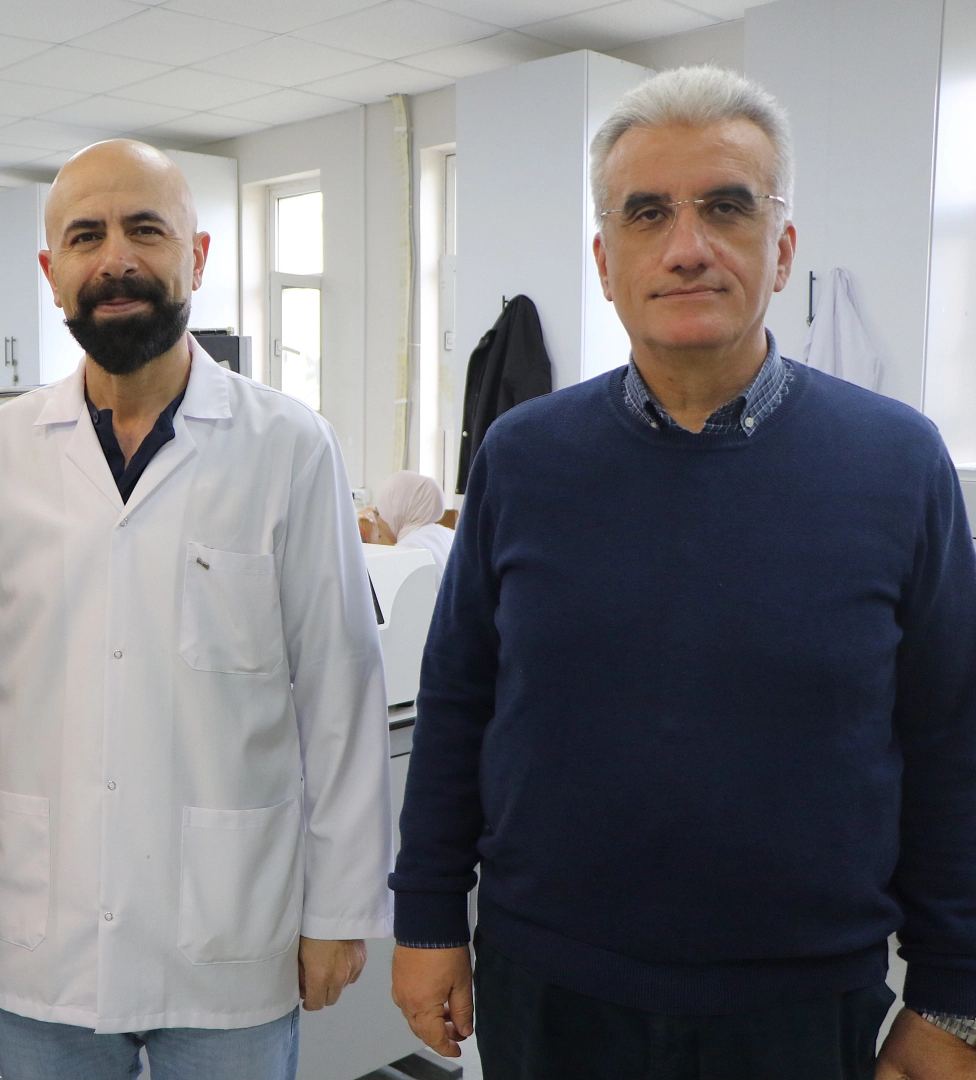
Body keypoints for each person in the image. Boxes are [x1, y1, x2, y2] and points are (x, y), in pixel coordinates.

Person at [389, 66, 976, 1080]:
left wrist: (954, 996)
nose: (688, 247)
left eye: (727, 208)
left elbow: (950, 737)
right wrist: (428, 915)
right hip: (552, 991)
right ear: (605, 260)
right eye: (647, 213)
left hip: (802, 1004)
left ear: (781, 249)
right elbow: (457, 704)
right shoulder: (522, 459)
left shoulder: (898, 463)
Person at [0, 140, 392, 1080]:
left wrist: (340, 907)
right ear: (52, 271)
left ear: (198, 257)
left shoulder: (290, 445)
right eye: (85, 237)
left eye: (146, 229)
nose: (116, 259)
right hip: (42, 926)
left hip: (230, 926)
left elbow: (339, 689)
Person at [368, 471, 455, 569]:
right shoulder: (451, 536)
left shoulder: (406, 550)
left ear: (395, 512)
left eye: (379, 512)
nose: (378, 521)